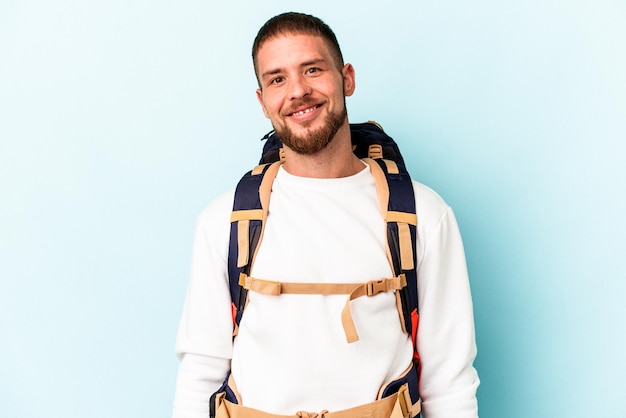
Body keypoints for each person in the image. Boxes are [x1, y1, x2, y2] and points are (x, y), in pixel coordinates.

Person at [173, 12, 479, 418]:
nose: (298, 90)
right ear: (262, 101)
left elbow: (449, 382)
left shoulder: (423, 214)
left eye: (312, 69)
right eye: (277, 79)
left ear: (346, 78)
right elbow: (200, 374)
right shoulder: (224, 220)